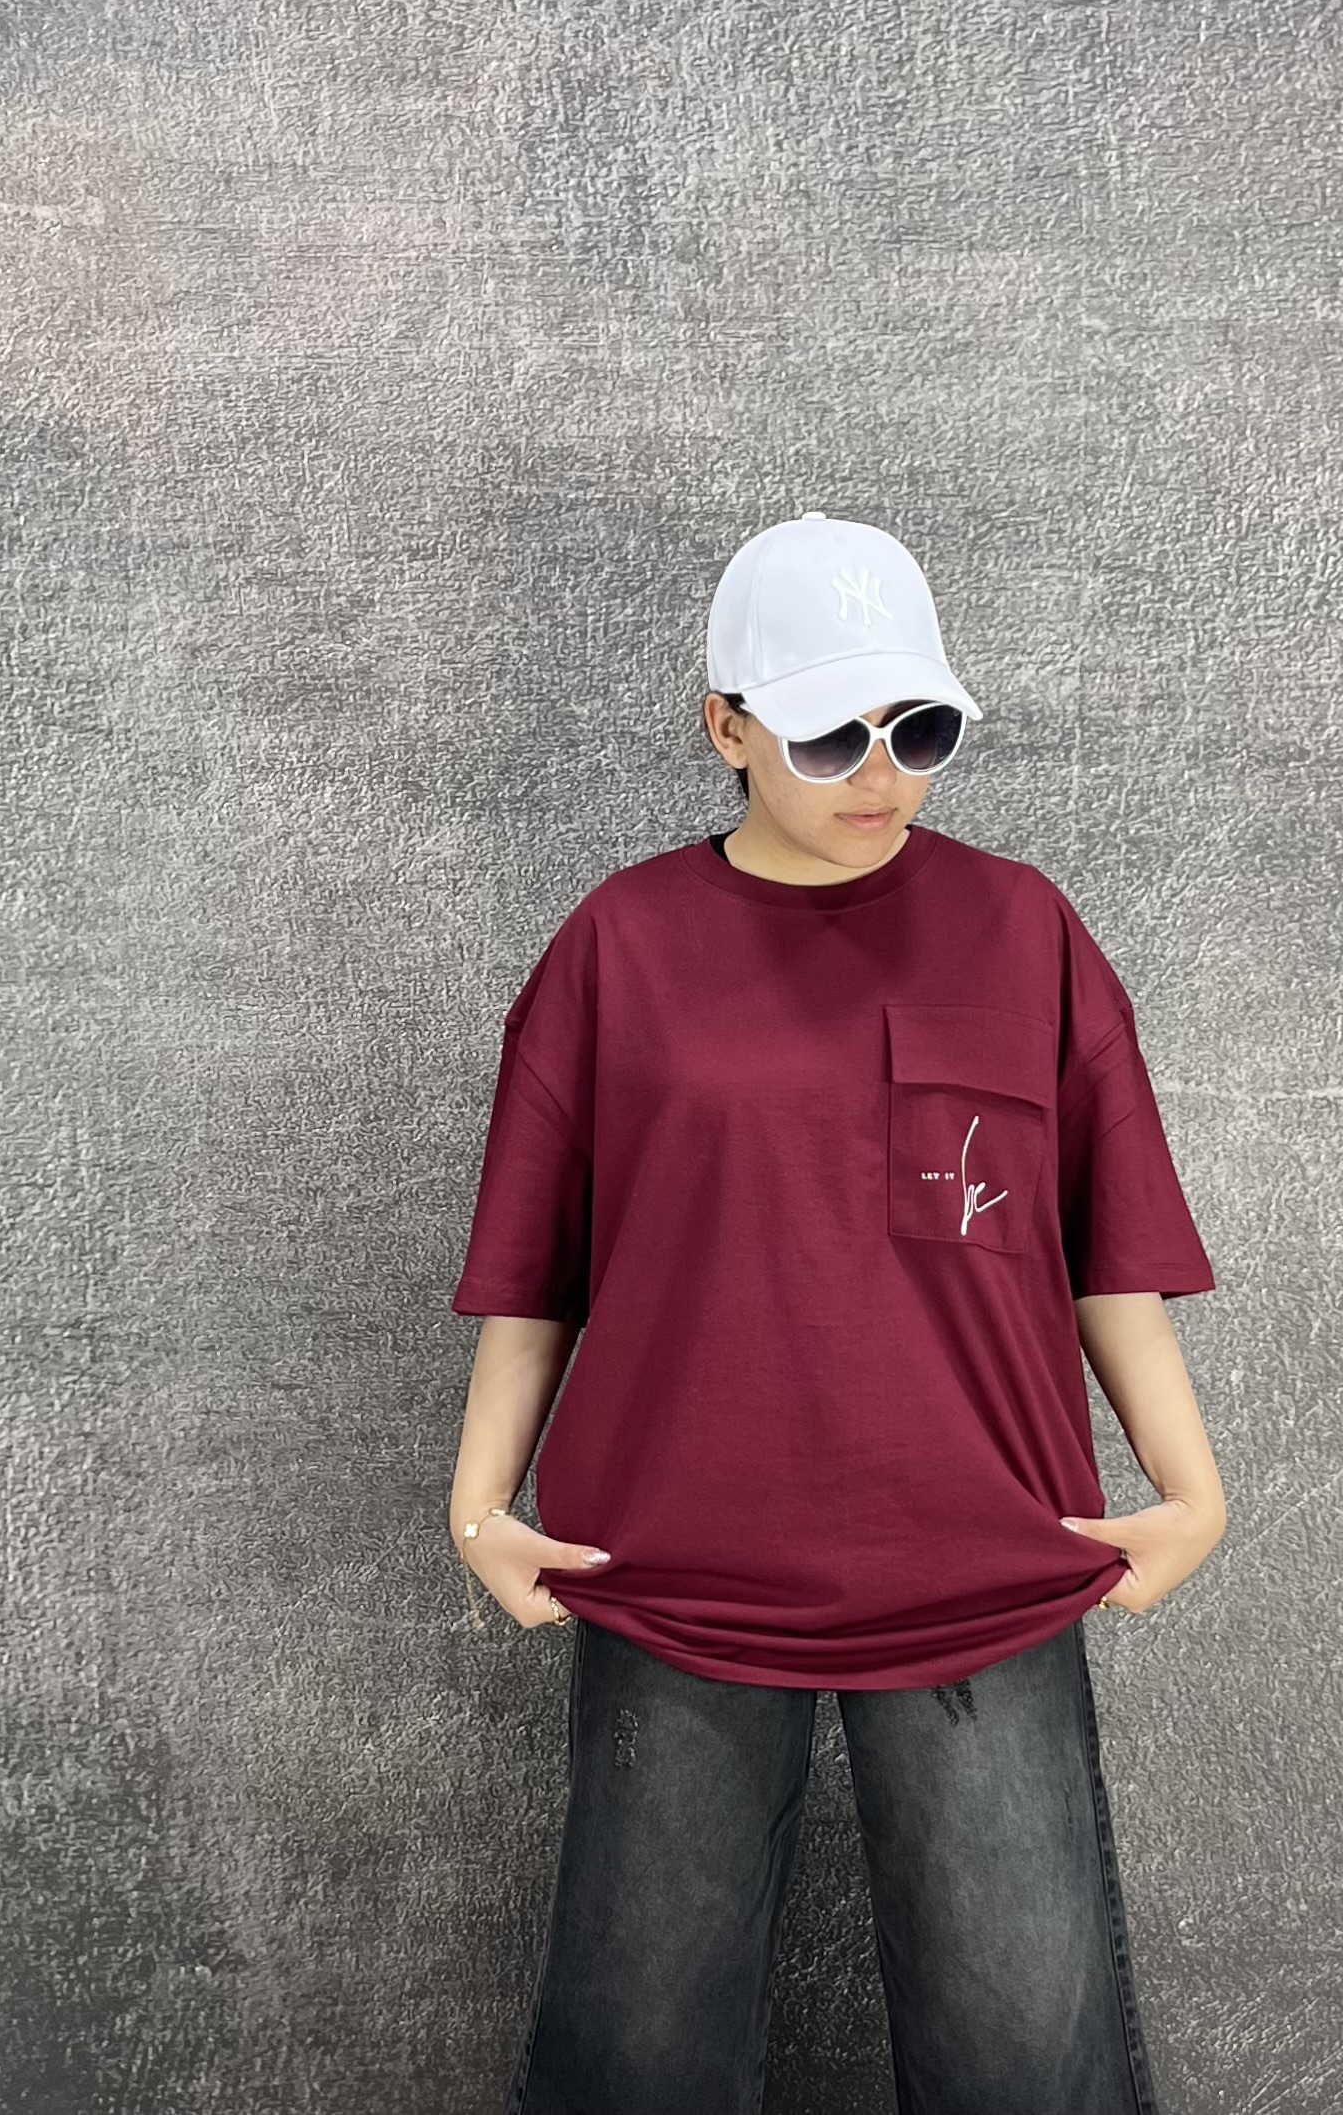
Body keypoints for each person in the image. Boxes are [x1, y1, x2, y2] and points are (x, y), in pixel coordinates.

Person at [448, 509, 1228, 2115]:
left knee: (1026, 2065)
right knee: (638, 2066)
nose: (878, 776)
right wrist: (478, 1505)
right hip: (671, 1566)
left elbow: (1108, 1246)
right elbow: (534, 1270)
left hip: (980, 1563)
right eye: (826, 735)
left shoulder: (1021, 929)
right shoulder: (620, 947)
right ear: (724, 728)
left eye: (915, 730)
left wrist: (1191, 1489)